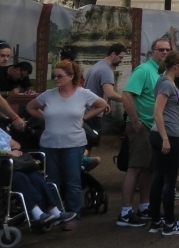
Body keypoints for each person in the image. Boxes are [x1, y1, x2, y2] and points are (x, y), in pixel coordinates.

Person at [25, 60, 108, 231]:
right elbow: (31, 107)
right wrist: (46, 118)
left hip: (73, 143)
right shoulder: (48, 95)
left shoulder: (83, 94)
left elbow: (102, 105)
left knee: (72, 180)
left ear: (71, 77)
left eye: (60, 76)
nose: (56, 79)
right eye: (54, 76)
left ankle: (73, 214)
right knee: (52, 180)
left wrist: (84, 118)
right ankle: (54, 212)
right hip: (49, 144)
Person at [117, 37, 170, 228]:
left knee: (149, 168)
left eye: (167, 50)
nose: (164, 52)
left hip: (153, 126)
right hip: (142, 126)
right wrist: (135, 121)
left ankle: (144, 206)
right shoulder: (144, 70)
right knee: (135, 168)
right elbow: (126, 94)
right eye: (161, 49)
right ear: (152, 51)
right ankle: (125, 212)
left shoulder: (160, 72)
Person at [147, 50, 179, 236]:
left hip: (166, 133)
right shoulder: (166, 83)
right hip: (167, 134)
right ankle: (170, 223)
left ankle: (156, 219)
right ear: (176, 66)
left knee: (160, 178)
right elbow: (157, 112)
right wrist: (165, 138)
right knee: (169, 180)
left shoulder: (166, 82)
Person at [0, 126, 76, 227]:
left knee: (35, 176)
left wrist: (14, 150)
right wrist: (6, 152)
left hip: (14, 164)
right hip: (3, 168)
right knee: (19, 177)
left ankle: (54, 211)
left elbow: (16, 144)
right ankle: (37, 213)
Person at [82, 43, 126, 122]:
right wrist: (126, 99)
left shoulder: (96, 66)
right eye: (120, 57)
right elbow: (110, 93)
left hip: (87, 110)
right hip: (94, 113)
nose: (121, 60)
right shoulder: (106, 70)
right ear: (113, 54)